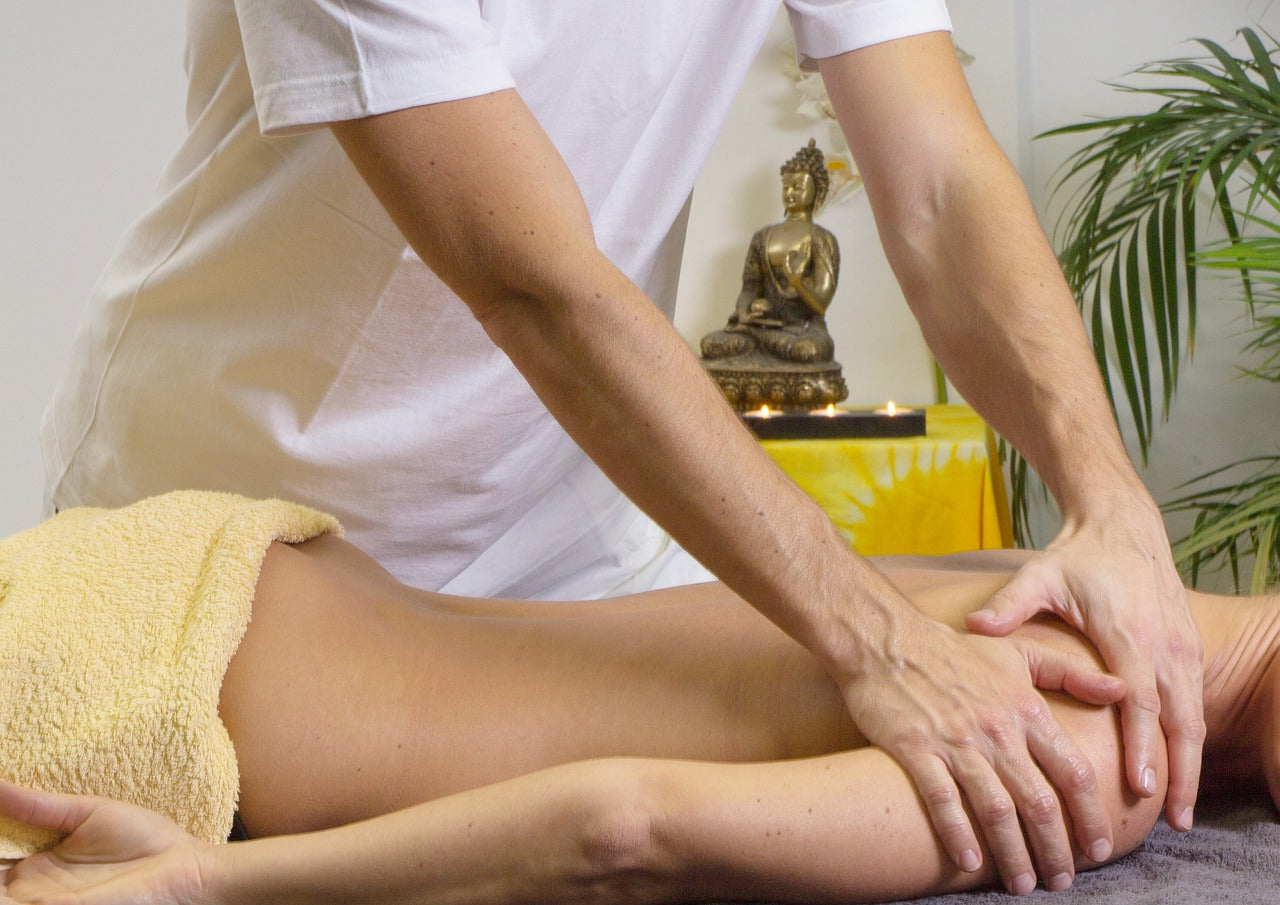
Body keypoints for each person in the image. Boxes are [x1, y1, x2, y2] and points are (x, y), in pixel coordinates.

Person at [39, 1, 1203, 885]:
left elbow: (939, 187)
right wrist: (875, 640)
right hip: (250, 541)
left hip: (578, 514)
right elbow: (534, 283)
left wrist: (1109, 501)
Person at [0, 490, 1272, 903]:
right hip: (153, 698)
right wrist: (195, 884)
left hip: (186, 563)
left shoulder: (1080, 579)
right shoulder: (1087, 733)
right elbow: (620, 832)